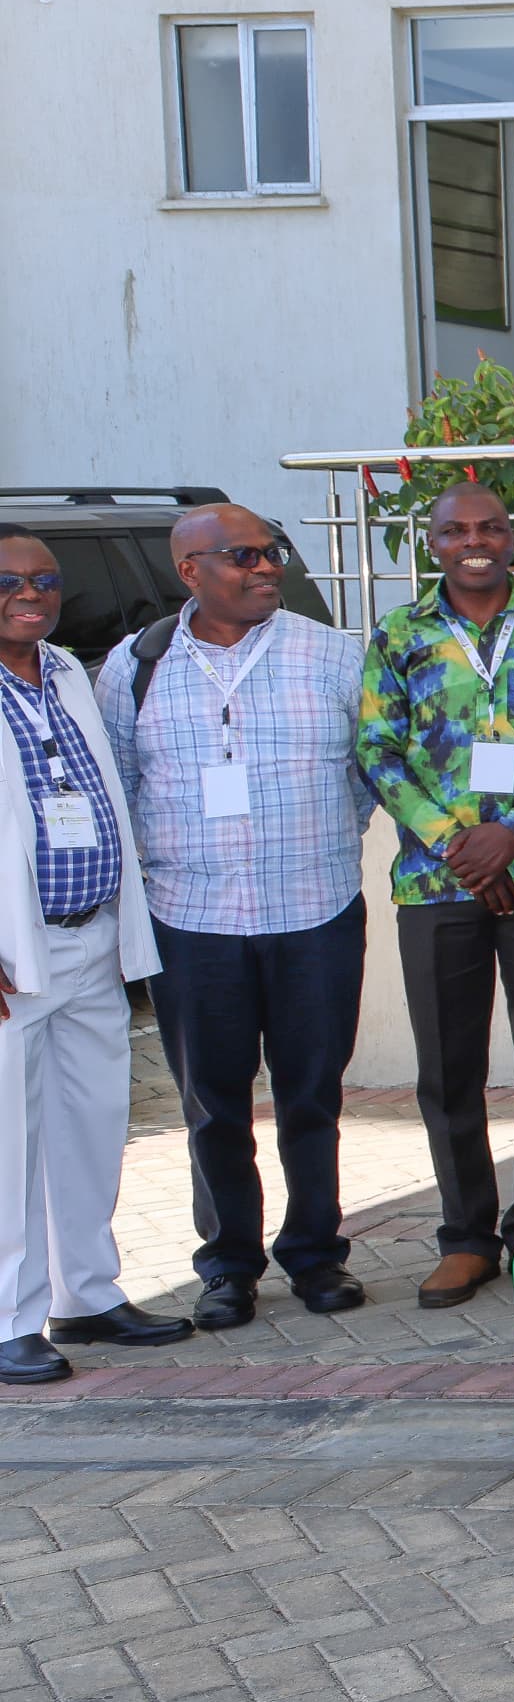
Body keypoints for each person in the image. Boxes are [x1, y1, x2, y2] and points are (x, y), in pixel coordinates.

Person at [98, 505, 373, 1329]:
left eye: (273, 553)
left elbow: (368, 775)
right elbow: (120, 785)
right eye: (244, 556)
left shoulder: (331, 654)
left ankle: (317, 1257)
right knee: (213, 1103)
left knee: (311, 1097)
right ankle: (227, 1265)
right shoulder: (135, 665)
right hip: (192, 920)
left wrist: (314, 839)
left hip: (314, 910)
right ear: (190, 571)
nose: (267, 569)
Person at [356, 485, 514, 1309]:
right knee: (448, 1068)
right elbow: (377, 749)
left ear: (509, 537)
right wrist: (458, 844)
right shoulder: (399, 634)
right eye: (456, 530)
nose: (475, 540)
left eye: (490, 527)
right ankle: (465, 1237)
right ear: (431, 543)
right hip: (437, 883)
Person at [0, 529, 175, 1385]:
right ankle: (8, 1318)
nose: (30, 593)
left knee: (92, 1124)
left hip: (92, 936)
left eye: (44, 580)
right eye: (9, 581)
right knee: (6, 1141)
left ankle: (89, 1294)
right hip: (10, 958)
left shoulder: (67, 670)